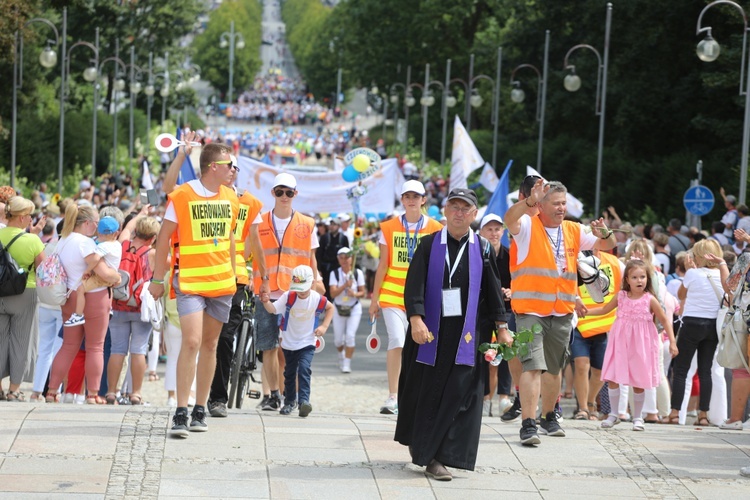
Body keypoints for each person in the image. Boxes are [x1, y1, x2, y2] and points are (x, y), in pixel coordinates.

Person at [395, 188, 511, 481]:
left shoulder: (483, 248)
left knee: (461, 395)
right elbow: (414, 286)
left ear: (474, 214)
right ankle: (429, 454)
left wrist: (502, 327)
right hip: (430, 335)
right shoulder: (428, 245)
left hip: (466, 336)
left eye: (465, 209)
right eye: (454, 207)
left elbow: (494, 290)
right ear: (444, 210)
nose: (459, 213)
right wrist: (416, 320)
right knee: (427, 393)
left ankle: (443, 455)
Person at [503, 180, 616, 446]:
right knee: (532, 366)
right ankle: (528, 424)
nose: (562, 208)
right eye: (556, 203)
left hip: (561, 310)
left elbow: (608, 243)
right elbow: (510, 218)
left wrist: (605, 231)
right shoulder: (528, 225)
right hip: (530, 309)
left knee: (553, 370)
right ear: (540, 205)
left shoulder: (574, 229)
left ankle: (548, 416)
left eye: (564, 203)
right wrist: (528, 202)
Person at [148, 142, 239, 437]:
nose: (233, 171)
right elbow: (163, 238)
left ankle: (201, 408)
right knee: (191, 342)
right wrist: (158, 278)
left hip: (222, 282)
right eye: (229, 166)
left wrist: (236, 275)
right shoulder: (183, 195)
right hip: (189, 281)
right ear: (214, 167)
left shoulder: (231, 197)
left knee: (211, 345)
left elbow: (230, 239)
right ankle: (181, 410)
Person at [369, 180, 443, 415]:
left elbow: (438, 265)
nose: (411, 200)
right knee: (397, 341)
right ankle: (393, 396)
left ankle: (415, 394)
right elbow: (383, 265)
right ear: (402, 200)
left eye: (416, 196)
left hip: (421, 297)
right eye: (407, 196)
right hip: (392, 294)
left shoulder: (435, 228)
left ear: (423, 200)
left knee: (421, 345)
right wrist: (374, 299)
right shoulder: (389, 227)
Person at [253, 172, 320, 412]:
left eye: (288, 192)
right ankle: (272, 395)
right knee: (268, 346)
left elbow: (311, 258)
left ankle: (290, 396)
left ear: (295, 194)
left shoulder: (307, 223)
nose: (284, 196)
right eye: (279, 192)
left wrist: (316, 281)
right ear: (272, 193)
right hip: (266, 289)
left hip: (295, 293)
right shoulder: (259, 221)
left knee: (291, 348)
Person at [586, 260, 678, 431]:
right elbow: (604, 310)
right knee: (613, 377)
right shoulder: (621, 296)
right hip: (620, 342)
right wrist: (585, 311)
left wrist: (672, 341)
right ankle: (614, 414)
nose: (639, 281)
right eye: (634, 277)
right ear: (627, 279)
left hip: (641, 345)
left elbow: (665, 320)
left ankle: (638, 417)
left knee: (638, 380)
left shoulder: (650, 299)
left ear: (647, 279)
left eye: (642, 277)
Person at [47, 203, 121, 404]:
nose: (97, 228)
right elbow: (105, 273)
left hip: (70, 296)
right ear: (87, 223)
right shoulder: (86, 244)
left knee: (68, 346)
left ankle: (52, 390)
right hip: (95, 297)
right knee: (95, 347)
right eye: (96, 223)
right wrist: (117, 276)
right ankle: (92, 394)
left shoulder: (63, 240)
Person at [665, 239, 729, 426]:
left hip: (692, 323)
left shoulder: (693, 273)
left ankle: (675, 412)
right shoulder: (721, 274)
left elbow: (681, 295)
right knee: (705, 371)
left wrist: (688, 269)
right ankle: (703, 414)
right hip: (712, 324)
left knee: (681, 370)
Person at [260, 265, 333, 417]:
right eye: (298, 288)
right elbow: (273, 310)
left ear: (312, 284)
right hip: (289, 343)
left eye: (304, 288)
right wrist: (266, 302)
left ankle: (304, 401)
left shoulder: (316, 298)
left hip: (307, 342)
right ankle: (289, 401)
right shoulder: (289, 296)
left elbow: (330, 308)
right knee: (289, 373)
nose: (301, 292)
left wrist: (324, 326)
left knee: (304, 370)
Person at [105, 216, 160, 405]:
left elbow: (127, 228)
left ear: (136, 231)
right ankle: (135, 393)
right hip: (139, 308)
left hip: (118, 304)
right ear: (153, 237)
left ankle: (111, 392)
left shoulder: (122, 245)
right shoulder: (152, 254)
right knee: (138, 349)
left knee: (117, 350)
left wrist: (141, 212)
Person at [0, 197, 46, 402]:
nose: (30, 219)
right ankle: (14, 389)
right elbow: (43, 270)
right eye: (28, 216)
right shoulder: (33, 240)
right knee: (21, 341)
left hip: (0, 293)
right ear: (20, 218)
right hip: (25, 292)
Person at [571, 248, 623, 421]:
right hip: (578, 322)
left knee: (600, 371)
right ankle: (583, 408)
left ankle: (591, 402)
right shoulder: (574, 260)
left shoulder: (614, 262)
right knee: (581, 365)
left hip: (604, 325)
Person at [477, 213, 514, 417]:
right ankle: (484, 399)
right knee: (483, 353)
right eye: (489, 229)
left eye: (497, 229)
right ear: (481, 231)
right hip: (483, 309)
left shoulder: (510, 255)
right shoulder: (476, 253)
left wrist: (511, 290)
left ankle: (504, 398)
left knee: (506, 351)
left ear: (503, 231)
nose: (493, 233)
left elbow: (519, 279)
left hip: (506, 310)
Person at [63, 216, 122, 327]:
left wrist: (87, 270)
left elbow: (95, 259)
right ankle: (109, 308)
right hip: (112, 274)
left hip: (101, 278)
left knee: (80, 289)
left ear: (98, 232)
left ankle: (78, 315)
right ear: (116, 233)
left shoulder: (105, 246)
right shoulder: (116, 244)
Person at [329, 247, 365, 373]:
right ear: (338, 259)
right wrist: (345, 285)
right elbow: (332, 293)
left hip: (354, 308)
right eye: (341, 257)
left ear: (352, 259)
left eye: (347, 257)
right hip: (338, 308)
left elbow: (363, 292)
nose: (344, 260)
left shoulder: (357, 273)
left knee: (350, 336)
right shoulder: (334, 273)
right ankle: (341, 355)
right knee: (338, 340)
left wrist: (354, 294)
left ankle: (347, 363)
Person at [317, 216, 348, 299]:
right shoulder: (324, 238)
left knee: (337, 285)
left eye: (334, 224)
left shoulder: (344, 238)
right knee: (326, 286)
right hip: (326, 268)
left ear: (338, 226)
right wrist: (319, 269)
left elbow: (347, 254)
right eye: (331, 224)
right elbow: (319, 254)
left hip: (338, 267)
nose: (332, 226)